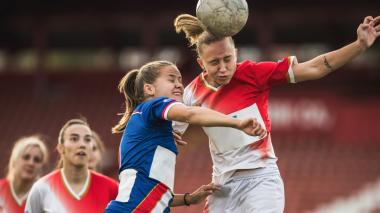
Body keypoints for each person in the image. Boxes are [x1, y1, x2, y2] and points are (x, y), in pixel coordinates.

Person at [174, 14, 380, 212]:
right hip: (222, 187)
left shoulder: (253, 74)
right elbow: (173, 130)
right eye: (214, 62)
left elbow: (315, 68)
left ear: (236, 53)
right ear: (202, 64)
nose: (223, 68)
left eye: (228, 59)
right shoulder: (191, 93)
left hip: (261, 181)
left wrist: (359, 45)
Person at [104, 61, 266, 212]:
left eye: (180, 80)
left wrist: (189, 198)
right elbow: (189, 113)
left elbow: (152, 190)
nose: (179, 85)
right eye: (171, 79)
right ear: (149, 89)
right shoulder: (153, 105)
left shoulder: (150, 128)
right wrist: (237, 123)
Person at [25, 118, 118, 213]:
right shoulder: (42, 188)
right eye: (74, 139)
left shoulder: (112, 188)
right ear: (61, 148)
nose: (82, 144)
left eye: (87, 140)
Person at [0, 135, 49, 213]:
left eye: (37, 160)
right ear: (14, 160)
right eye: (26, 157)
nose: (31, 163)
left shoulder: (45, 198)